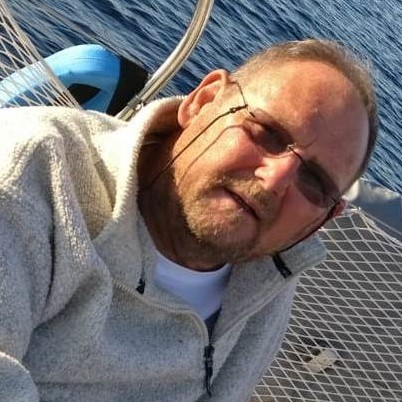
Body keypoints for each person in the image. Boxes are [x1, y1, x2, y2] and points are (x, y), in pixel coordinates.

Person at [0, 39, 377, 401]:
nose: (275, 181)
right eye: (267, 133)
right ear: (203, 101)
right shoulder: (30, 178)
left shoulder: (266, 283)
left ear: (323, 219)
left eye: (314, 182)